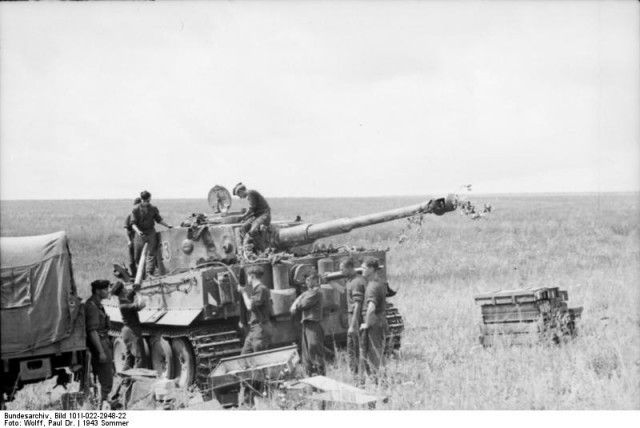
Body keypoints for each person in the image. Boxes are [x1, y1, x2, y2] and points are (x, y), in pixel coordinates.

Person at [358, 256, 389, 384]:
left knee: (374, 354)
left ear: (371, 269)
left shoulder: (372, 286)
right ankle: (379, 381)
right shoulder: (378, 282)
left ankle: (379, 383)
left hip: (374, 323)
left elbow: (371, 307)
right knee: (377, 352)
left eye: (364, 268)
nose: (361, 270)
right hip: (379, 320)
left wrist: (366, 324)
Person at [290, 269, 325, 376]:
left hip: (313, 325)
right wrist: (299, 298)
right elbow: (303, 298)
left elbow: (303, 305)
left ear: (315, 280)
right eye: (306, 280)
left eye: (309, 280)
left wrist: (296, 302)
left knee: (314, 350)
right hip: (307, 325)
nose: (307, 282)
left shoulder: (315, 292)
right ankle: (310, 376)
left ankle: (321, 376)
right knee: (306, 353)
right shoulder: (309, 292)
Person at [85, 280, 114, 409]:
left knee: (106, 376)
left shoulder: (97, 305)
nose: (108, 292)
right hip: (100, 343)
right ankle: (104, 405)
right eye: (105, 289)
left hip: (103, 341)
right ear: (97, 291)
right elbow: (92, 331)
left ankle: (102, 402)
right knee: (106, 377)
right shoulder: (92, 306)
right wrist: (101, 351)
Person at [130, 190, 173, 278]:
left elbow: (159, 220)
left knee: (151, 254)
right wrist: (138, 232)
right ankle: (141, 275)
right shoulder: (135, 210)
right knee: (138, 257)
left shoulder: (153, 208)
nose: (147, 203)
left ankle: (149, 273)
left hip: (150, 233)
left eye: (148, 201)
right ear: (141, 200)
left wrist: (168, 225)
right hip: (139, 235)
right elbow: (133, 224)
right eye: (145, 201)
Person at [111, 281, 146, 371]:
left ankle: (125, 380)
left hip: (128, 331)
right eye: (125, 287)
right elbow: (142, 305)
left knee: (129, 360)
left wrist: (135, 290)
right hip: (132, 332)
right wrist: (138, 292)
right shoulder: (123, 305)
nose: (127, 288)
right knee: (140, 358)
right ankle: (138, 379)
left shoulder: (124, 300)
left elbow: (130, 294)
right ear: (123, 290)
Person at [340, 257, 366, 376]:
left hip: (356, 317)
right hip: (352, 316)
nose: (341, 272)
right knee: (352, 345)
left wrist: (353, 324)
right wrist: (331, 283)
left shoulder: (356, 282)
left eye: (342, 269)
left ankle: (357, 373)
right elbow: (344, 291)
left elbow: (357, 304)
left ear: (350, 268)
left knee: (355, 346)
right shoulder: (350, 280)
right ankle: (355, 371)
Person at [238, 266, 272, 354]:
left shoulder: (261, 289)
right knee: (245, 355)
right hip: (254, 329)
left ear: (252, 276)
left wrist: (243, 293)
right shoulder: (257, 290)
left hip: (260, 329)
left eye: (248, 276)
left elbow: (249, 306)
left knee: (260, 358)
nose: (247, 279)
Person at [124, 197, 142, 277]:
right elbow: (126, 230)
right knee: (131, 262)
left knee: (141, 261)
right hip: (133, 241)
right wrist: (128, 240)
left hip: (141, 241)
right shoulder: (130, 216)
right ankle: (134, 276)